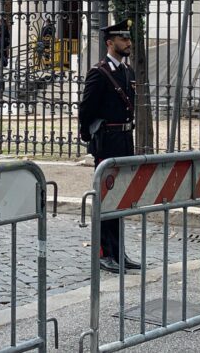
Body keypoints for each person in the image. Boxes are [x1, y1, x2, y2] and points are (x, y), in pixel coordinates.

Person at [78, 19, 139, 274]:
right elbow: (86, 110)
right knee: (106, 198)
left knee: (121, 199)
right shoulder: (99, 72)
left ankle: (117, 251)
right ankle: (104, 252)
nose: (128, 42)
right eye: (123, 39)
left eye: (128, 38)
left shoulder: (126, 72)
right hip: (107, 143)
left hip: (124, 141)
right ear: (109, 42)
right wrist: (89, 137)